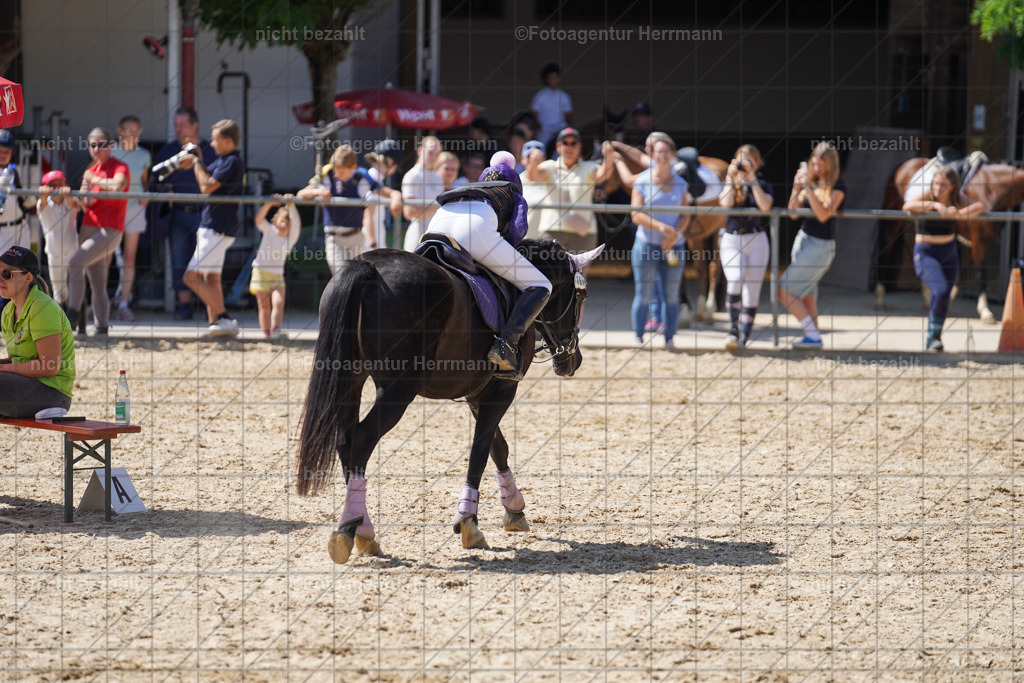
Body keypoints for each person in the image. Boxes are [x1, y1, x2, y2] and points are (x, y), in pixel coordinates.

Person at [428, 151, 549, 381]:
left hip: (437, 222)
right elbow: (517, 230)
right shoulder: (513, 192)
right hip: (475, 228)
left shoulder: (472, 188)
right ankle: (506, 346)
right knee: (541, 284)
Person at [902, 167, 985, 351]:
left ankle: (934, 337)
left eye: (943, 185)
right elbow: (907, 206)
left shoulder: (958, 199)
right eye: (935, 183)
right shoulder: (927, 196)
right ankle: (933, 336)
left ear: (953, 187)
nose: (938, 188)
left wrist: (960, 214)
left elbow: (981, 206)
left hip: (948, 251)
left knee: (945, 294)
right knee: (939, 290)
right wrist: (934, 206)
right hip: (926, 252)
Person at [177, 119, 245, 337]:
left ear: (226, 140)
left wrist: (196, 162)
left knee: (190, 277)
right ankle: (216, 324)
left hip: (217, 226)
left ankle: (224, 318)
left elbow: (206, 187)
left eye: (215, 140)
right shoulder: (226, 160)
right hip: (217, 226)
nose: (212, 144)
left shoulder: (232, 161)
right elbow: (208, 178)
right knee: (211, 278)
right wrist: (197, 160)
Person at [152, 107, 216, 320]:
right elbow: (154, 181)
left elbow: (221, 179)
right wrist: (164, 190)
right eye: (175, 125)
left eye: (182, 124)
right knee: (179, 260)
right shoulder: (168, 151)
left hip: (206, 214)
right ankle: (184, 306)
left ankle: (213, 309)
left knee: (208, 262)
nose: (177, 129)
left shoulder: (211, 149)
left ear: (194, 124)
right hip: (178, 213)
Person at [781, 142, 846, 349]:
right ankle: (813, 338)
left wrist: (808, 188)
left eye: (821, 165)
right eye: (814, 164)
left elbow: (824, 214)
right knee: (808, 297)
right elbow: (792, 213)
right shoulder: (814, 184)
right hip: (804, 239)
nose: (817, 169)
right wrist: (797, 187)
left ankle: (813, 335)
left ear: (831, 165)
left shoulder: (838, 186)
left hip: (820, 245)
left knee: (784, 290)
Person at [629, 136, 690, 349]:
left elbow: (686, 214)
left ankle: (670, 337)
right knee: (643, 294)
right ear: (652, 155)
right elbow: (636, 214)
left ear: (672, 155)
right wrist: (662, 229)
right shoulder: (642, 181)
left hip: (673, 246)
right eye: (658, 152)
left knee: (671, 295)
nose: (662, 156)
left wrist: (674, 236)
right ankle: (638, 336)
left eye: (666, 152)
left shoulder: (681, 184)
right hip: (646, 244)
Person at [0, 246, 75, 418]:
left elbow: (49, 366)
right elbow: (19, 358)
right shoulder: (8, 310)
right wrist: (4, 363)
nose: (1, 279)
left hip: (53, 393)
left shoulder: (42, 307)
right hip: (28, 385)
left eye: (7, 274)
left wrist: (4, 367)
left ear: (27, 278)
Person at [68, 127, 129, 336]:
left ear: (111, 146)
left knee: (75, 263)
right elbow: (86, 203)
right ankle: (102, 327)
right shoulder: (90, 171)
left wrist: (91, 180)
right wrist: (81, 197)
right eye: (92, 145)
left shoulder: (119, 166)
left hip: (110, 229)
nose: (96, 149)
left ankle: (71, 316)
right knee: (98, 282)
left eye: (100, 144)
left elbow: (118, 186)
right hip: (88, 226)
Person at [298, 144, 392, 274]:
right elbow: (301, 194)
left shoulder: (361, 177)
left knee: (357, 279)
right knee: (340, 276)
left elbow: (384, 192)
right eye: (335, 170)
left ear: (353, 168)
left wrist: (396, 196)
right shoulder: (326, 174)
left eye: (341, 172)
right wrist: (319, 192)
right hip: (334, 238)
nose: (336, 175)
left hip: (356, 237)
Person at [718, 144, 773, 350]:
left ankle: (744, 337)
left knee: (752, 290)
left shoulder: (763, 185)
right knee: (735, 277)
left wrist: (752, 179)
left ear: (757, 164)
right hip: (732, 239)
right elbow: (725, 203)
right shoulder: (731, 183)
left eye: (748, 161)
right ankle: (733, 330)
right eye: (740, 160)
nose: (743, 165)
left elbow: (765, 206)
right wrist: (730, 178)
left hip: (756, 240)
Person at [526, 127, 614, 254]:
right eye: (565, 143)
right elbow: (534, 177)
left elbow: (602, 176)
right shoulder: (550, 166)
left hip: (583, 232)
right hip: (552, 230)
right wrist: (532, 162)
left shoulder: (588, 166)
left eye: (573, 143)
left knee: (579, 274)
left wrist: (609, 157)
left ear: (580, 147)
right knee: (549, 272)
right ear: (558, 146)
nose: (569, 147)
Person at [111, 115, 151, 322]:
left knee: (129, 257)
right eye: (129, 129)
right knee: (105, 256)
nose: (133, 133)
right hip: (112, 209)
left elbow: (145, 182)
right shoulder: (110, 151)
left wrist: (146, 196)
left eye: (137, 129)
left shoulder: (144, 155)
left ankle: (124, 303)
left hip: (134, 208)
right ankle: (98, 303)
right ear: (120, 131)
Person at [250, 195, 301, 340]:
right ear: (276, 221)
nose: (285, 225)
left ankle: (276, 329)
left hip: (277, 275)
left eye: (288, 223)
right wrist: (268, 205)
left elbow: (296, 223)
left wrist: (291, 205)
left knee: (279, 302)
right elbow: (258, 220)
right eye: (282, 221)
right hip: (261, 272)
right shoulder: (269, 231)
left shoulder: (290, 240)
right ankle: (266, 334)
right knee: (264, 306)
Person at [36, 171, 80, 309]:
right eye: (52, 185)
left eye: (59, 184)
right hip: (54, 253)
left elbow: (74, 204)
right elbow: (42, 204)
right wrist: (43, 195)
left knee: (75, 285)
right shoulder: (43, 203)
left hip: (72, 250)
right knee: (58, 290)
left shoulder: (70, 201)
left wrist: (67, 195)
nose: (56, 188)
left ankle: (76, 313)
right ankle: (61, 317)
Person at [400, 135, 444, 251]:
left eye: (437, 153)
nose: (434, 157)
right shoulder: (412, 175)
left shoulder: (437, 177)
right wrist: (439, 206)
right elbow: (409, 212)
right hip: (418, 235)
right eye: (430, 152)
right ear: (420, 150)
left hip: (434, 234)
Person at [364, 139, 404, 249]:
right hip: (369, 245)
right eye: (395, 167)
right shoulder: (371, 182)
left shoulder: (374, 180)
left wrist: (396, 194)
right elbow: (367, 217)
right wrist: (374, 246)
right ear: (390, 163)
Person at [530, 62, 572, 154]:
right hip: (544, 131)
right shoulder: (540, 96)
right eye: (551, 78)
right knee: (541, 151)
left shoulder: (564, 96)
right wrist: (541, 126)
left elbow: (568, 115)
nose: (553, 80)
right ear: (546, 79)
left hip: (560, 130)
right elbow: (534, 113)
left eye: (556, 77)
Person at [0, 129, 29, 256]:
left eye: (7, 151)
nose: (3, 155)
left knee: (23, 270)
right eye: (0, 151)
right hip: (2, 230)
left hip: (21, 227)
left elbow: (20, 199)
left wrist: (27, 199)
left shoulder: (13, 171)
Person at [520, 140, 551, 239]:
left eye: (538, 158)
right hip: (522, 240)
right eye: (529, 157)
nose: (533, 161)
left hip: (546, 240)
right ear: (522, 159)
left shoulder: (551, 180)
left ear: (544, 159)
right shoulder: (516, 182)